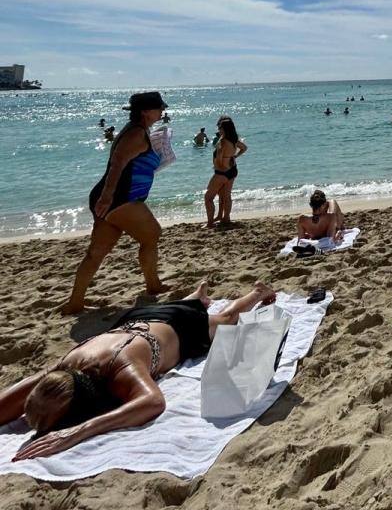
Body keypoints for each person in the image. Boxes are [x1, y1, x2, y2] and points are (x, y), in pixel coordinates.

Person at [1, 281, 276, 460]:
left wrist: (77, 432)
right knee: (177, 309)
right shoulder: (62, 369)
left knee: (225, 319)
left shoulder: (119, 370)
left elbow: (154, 401)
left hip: (178, 326)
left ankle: (257, 292)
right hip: (136, 320)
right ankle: (196, 297)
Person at [67, 92, 169, 314]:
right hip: (120, 198)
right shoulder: (136, 133)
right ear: (145, 111)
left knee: (97, 252)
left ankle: (75, 302)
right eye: (158, 108)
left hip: (113, 197)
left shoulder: (139, 131)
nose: (162, 111)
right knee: (152, 234)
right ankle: (153, 285)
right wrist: (107, 196)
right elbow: (117, 164)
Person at [204, 116, 247, 228]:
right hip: (232, 170)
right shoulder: (234, 140)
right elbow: (244, 148)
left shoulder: (222, 141)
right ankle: (226, 218)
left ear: (225, 129)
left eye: (220, 128)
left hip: (222, 173)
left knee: (208, 197)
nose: (219, 130)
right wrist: (235, 156)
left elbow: (219, 158)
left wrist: (218, 167)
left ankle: (210, 223)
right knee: (226, 196)